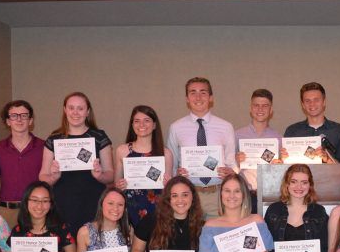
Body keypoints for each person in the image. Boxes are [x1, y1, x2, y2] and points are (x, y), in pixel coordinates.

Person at [39, 91, 115, 252]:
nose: (75, 112)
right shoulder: (54, 139)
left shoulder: (99, 137)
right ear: (64, 110)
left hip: (93, 206)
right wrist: (53, 176)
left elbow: (111, 175)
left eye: (80, 108)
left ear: (88, 111)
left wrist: (100, 174)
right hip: (64, 207)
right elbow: (42, 177)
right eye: (71, 108)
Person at [166, 77, 237, 219]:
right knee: (190, 240)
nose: (198, 97)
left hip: (217, 196)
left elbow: (232, 164)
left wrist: (230, 171)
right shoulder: (176, 127)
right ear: (187, 98)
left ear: (211, 98)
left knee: (216, 238)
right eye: (193, 92)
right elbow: (171, 165)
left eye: (203, 92)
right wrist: (177, 174)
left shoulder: (225, 127)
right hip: (187, 197)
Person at [114, 105, 174, 227]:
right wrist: (120, 185)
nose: (141, 125)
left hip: (158, 211)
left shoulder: (165, 153)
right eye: (137, 121)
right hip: (130, 209)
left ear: (154, 125)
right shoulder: (122, 150)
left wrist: (169, 184)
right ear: (132, 125)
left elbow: (169, 190)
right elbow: (116, 186)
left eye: (146, 120)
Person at [0, 100, 45, 227]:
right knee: (6, 247)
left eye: (24, 115)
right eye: (14, 116)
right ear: (7, 121)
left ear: (30, 120)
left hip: (37, 211)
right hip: (6, 212)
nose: (19, 120)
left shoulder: (44, 147)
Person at [235, 89, 282, 213]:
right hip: (244, 195)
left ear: (271, 110)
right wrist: (236, 161)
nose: (260, 109)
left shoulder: (278, 139)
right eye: (256, 105)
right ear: (251, 109)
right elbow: (228, 167)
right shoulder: (237, 135)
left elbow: (282, 173)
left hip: (270, 196)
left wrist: (280, 165)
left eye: (265, 106)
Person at [283, 82, 340, 163]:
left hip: (329, 176)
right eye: (307, 101)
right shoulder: (292, 131)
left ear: (324, 102)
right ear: (303, 105)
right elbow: (287, 168)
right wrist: (283, 159)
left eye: (316, 100)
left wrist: (328, 160)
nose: (312, 104)